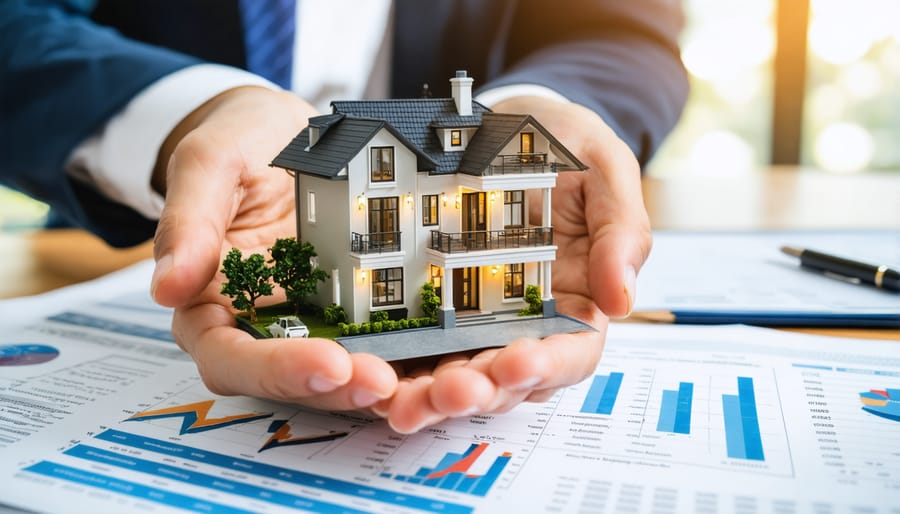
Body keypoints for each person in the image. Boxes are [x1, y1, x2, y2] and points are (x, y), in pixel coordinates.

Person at [1, 0, 688, 433]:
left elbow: (620, 30)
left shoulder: (462, 211)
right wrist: (198, 113)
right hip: (103, 246)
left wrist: (522, 118)